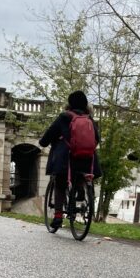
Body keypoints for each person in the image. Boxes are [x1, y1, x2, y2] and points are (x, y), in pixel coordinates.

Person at [38, 90, 101, 230]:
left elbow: (49, 135)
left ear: (69, 103)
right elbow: (97, 139)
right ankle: (80, 188)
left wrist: (43, 142)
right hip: (87, 159)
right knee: (79, 174)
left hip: (66, 159)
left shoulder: (64, 117)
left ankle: (58, 216)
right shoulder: (89, 119)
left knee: (60, 184)